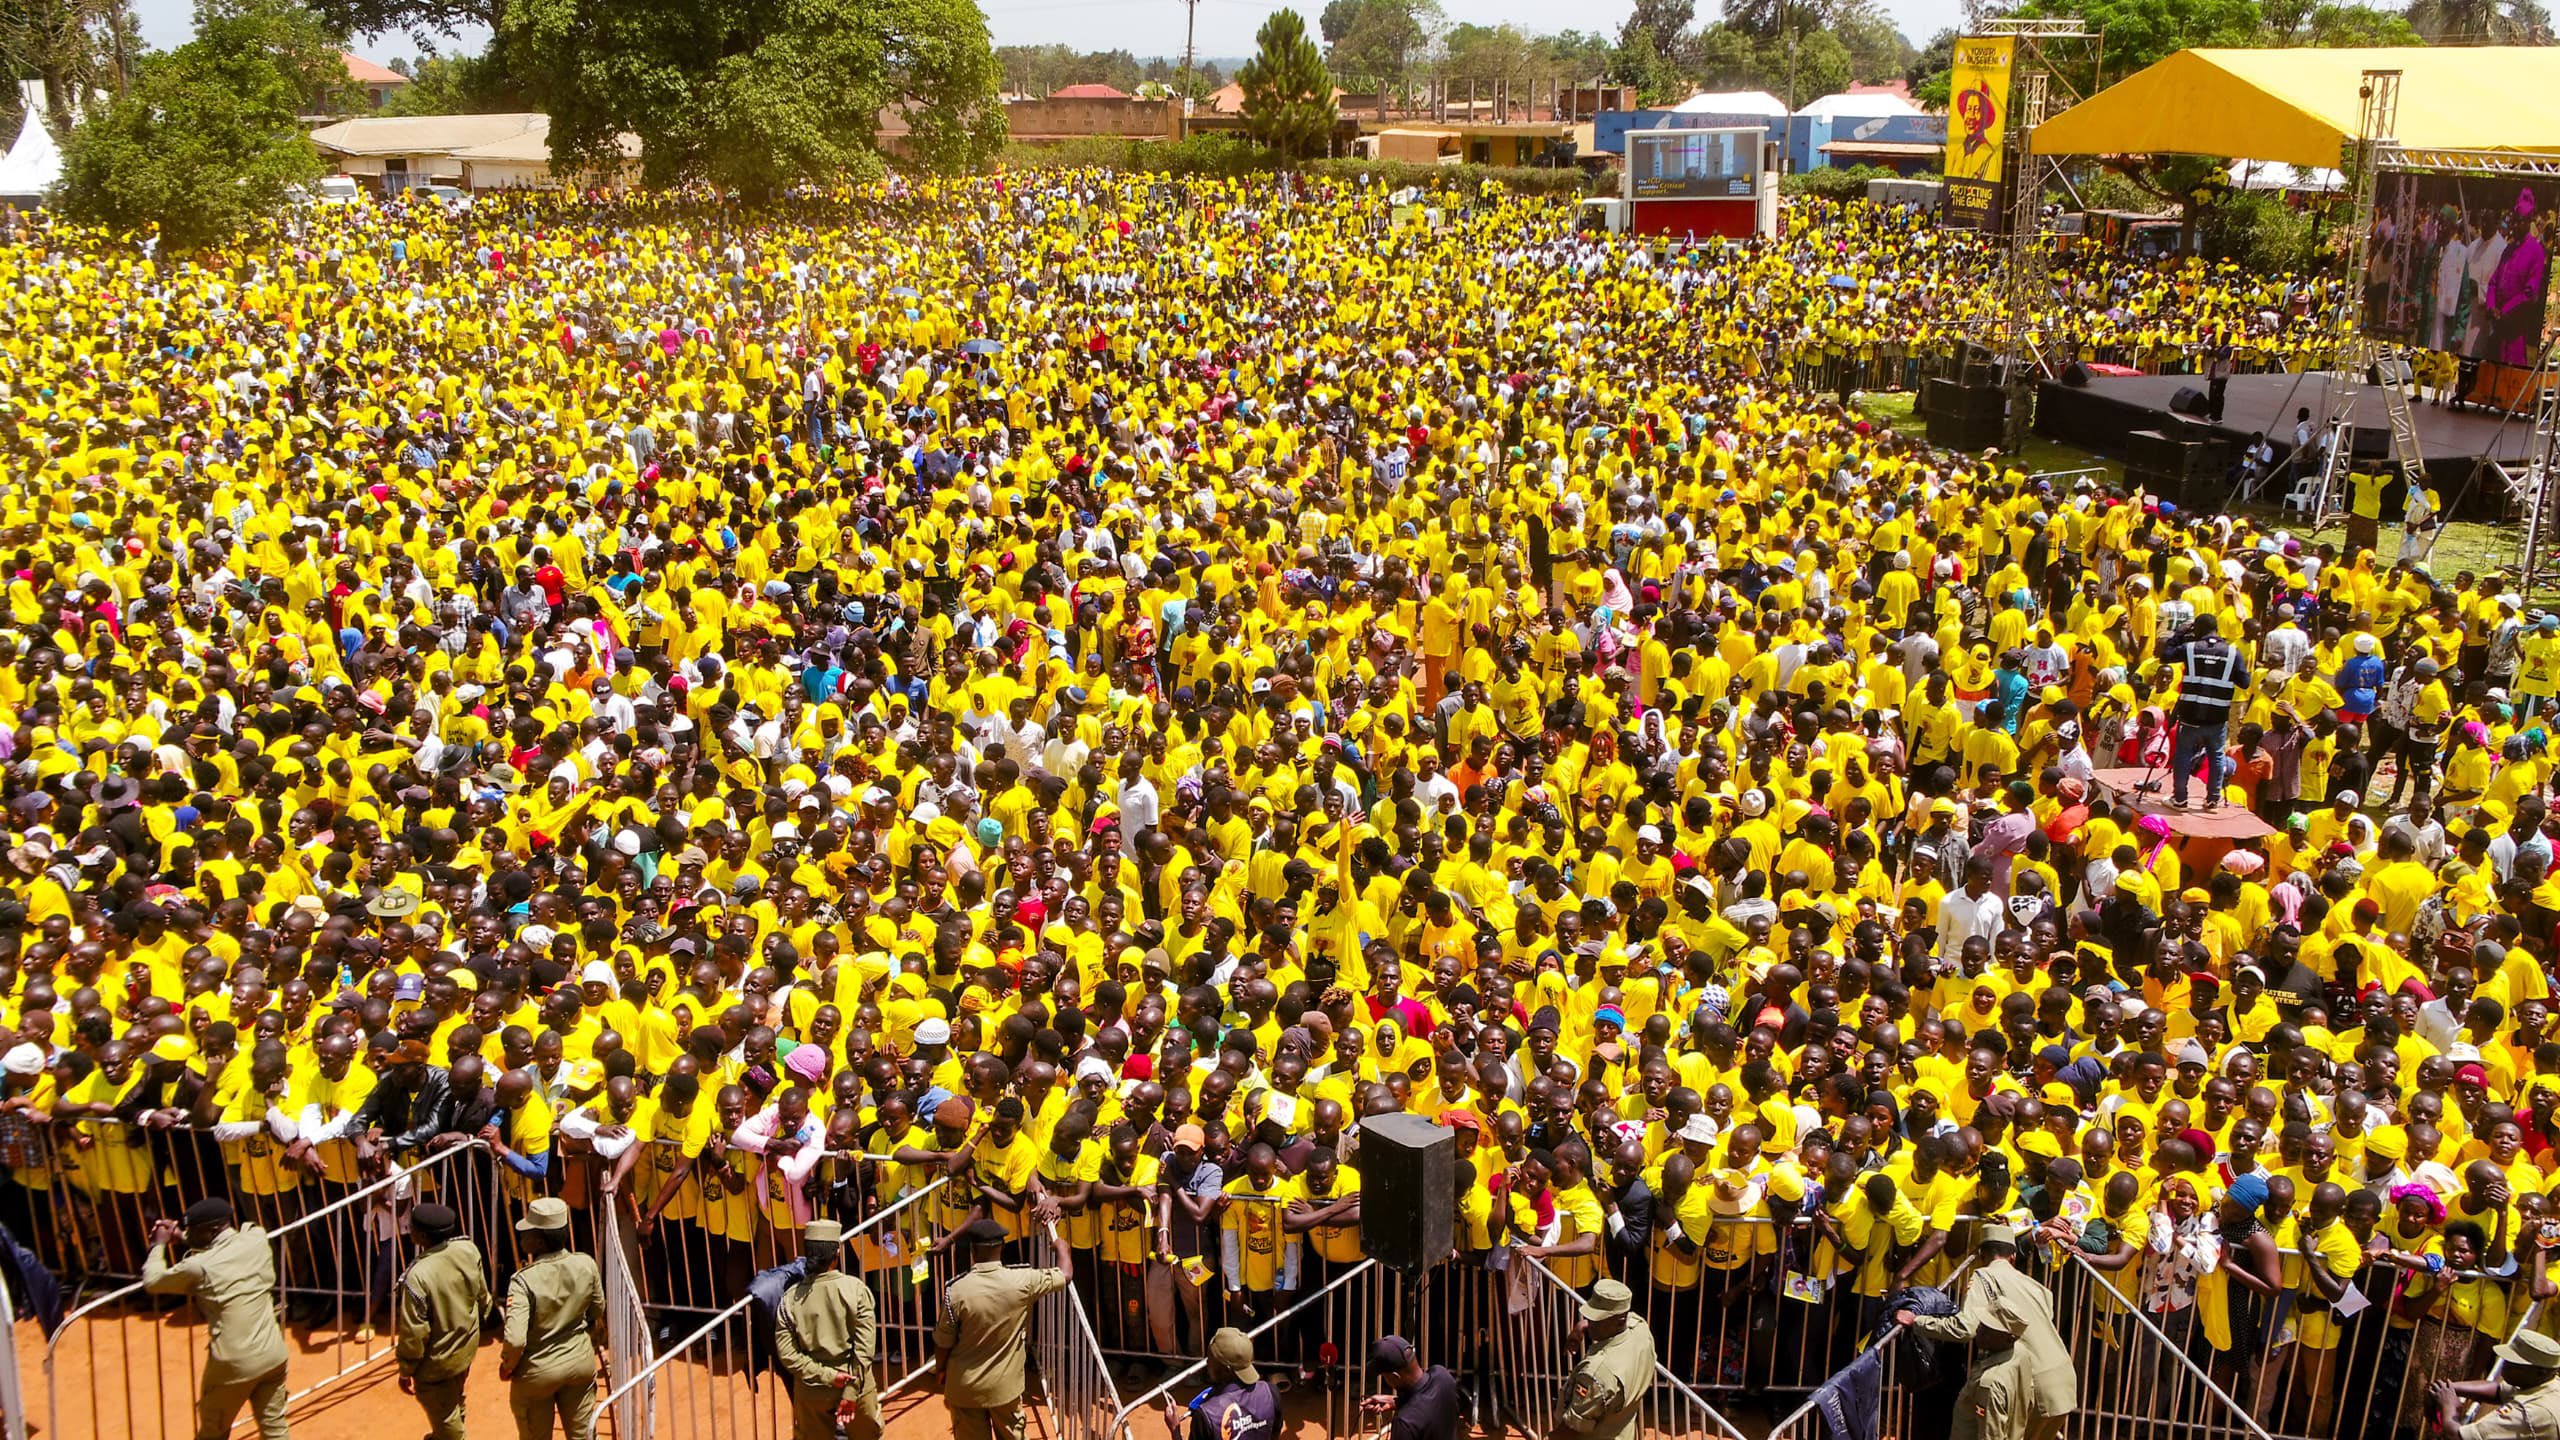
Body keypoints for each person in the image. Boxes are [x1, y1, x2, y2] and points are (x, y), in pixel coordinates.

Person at [1895, 1223, 2077, 1440]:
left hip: (2031, 1386)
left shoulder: (1984, 1277)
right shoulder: (2036, 1286)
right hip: (2064, 1380)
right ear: (2012, 1256)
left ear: (1982, 1255)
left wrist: (1918, 1321)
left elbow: (1965, 1327)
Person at [144, 1196, 290, 1440]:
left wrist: (158, 1246)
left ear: (211, 1231)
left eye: (195, 1231)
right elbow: (221, 1247)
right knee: (275, 1430)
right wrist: (183, 1236)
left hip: (233, 1364)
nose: (190, 1234)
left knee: (213, 1432)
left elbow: (153, 1280)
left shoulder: (198, 1267)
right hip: (273, 1354)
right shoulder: (255, 1238)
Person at [937, 1217, 1069, 1440]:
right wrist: (1063, 1249)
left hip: (964, 1387)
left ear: (972, 1250)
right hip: (1004, 1389)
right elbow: (1065, 1275)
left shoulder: (956, 1291)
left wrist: (941, 1370)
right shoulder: (1023, 1279)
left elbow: (943, 1342)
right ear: (1001, 1248)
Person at [502, 1196, 607, 1440]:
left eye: (528, 1231)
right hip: (579, 1362)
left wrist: (508, 1365)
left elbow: (515, 1341)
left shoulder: (522, 1281)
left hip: (536, 1373)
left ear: (539, 1240)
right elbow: (597, 1310)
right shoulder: (585, 1264)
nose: (523, 1236)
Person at [775, 1217, 883, 1440]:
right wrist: (850, 1392)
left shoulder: (789, 1300)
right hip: (857, 1388)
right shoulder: (856, 1290)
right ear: (837, 1253)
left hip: (812, 1392)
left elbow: (788, 1354)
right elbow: (865, 1350)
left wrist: (828, 1376)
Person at [396, 1202, 489, 1440]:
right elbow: (483, 1296)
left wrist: (406, 1370)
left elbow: (414, 1333)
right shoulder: (468, 1250)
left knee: (444, 1412)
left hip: (437, 1364)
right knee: (454, 1397)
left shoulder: (418, 1277)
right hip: (466, 1346)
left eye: (413, 1227)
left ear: (423, 1236)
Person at [1554, 1279, 1656, 1440]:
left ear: (1620, 1321)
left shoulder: (1596, 1372)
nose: (1591, 1322)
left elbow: (1573, 1427)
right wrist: (1583, 1325)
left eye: (1598, 1319)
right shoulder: (1641, 1331)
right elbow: (1631, 1320)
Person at [2167, 620, 2248, 809]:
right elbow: (2244, 682)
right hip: (2217, 717)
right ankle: (2212, 799)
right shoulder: (2232, 653)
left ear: (2198, 630)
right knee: (2216, 755)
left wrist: (2179, 633)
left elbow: (2165, 654)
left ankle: (2180, 799)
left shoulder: (2190, 648)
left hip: (2190, 715)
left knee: (2183, 754)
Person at [2431, 1327, 2560, 1439]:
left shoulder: (2530, 1414)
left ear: (2541, 1372)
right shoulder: (2548, 1383)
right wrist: (2449, 1388)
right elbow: (2498, 1390)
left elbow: (2456, 1436)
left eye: (2515, 1363)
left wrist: (2448, 1406)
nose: (2505, 1363)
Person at [1164, 1327, 1282, 1440]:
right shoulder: (1271, 1392)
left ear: (1226, 1369)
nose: (1207, 1365)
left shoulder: (1206, 1415)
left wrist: (1175, 1431)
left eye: (1210, 1360)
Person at [1364, 1334, 1462, 1440]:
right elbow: (1427, 1402)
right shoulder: (1443, 1376)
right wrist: (1396, 1401)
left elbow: (1417, 1410)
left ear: (1395, 1377)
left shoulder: (1405, 1422)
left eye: (1384, 1376)